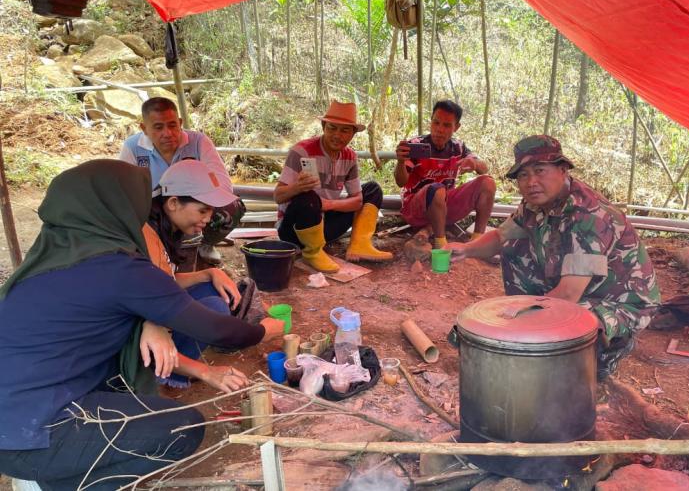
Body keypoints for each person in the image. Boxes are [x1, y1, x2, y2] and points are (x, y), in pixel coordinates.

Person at [0, 160, 274, 490]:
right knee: (184, 428)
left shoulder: (56, 249)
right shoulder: (118, 266)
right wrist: (264, 330)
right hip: (32, 431)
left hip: (19, 414)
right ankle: (61, 483)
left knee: (124, 376)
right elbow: (218, 331)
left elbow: (122, 298)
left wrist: (148, 320)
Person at [448, 135, 661, 376]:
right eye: (523, 175)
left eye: (540, 170)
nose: (531, 182)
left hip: (620, 302)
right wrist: (464, 250)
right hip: (583, 288)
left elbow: (568, 295)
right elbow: (500, 237)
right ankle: (537, 334)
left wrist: (515, 321)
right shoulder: (535, 203)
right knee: (514, 246)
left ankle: (610, 347)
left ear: (562, 170)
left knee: (572, 350)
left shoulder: (588, 216)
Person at [143, 159, 270, 391]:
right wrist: (261, 333)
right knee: (215, 309)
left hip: (153, 309)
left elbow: (166, 282)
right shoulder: (146, 235)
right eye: (203, 210)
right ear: (173, 202)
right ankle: (166, 369)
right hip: (142, 330)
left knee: (216, 293)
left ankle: (173, 361)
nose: (209, 219)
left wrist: (209, 273)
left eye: (210, 211)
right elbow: (157, 300)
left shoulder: (164, 226)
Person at [119, 97, 245, 265]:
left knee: (231, 207)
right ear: (144, 129)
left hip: (191, 204)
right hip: (154, 212)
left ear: (180, 122)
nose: (167, 133)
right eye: (158, 127)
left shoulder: (198, 142)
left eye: (172, 125)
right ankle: (156, 249)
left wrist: (196, 204)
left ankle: (205, 244)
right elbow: (122, 192)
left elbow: (223, 184)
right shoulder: (132, 147)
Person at [275, 100, 393, 273]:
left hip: (325, 227)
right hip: (294, 232)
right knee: (308, 198)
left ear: (353, 134)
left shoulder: (349, 157)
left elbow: (358, 200)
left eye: (344, 130)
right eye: (332, 128)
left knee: (373, 189)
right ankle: (312, 252)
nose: (337, 135)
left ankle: (360, 244)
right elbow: (278, 196)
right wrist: (297, 187)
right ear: (323, 126)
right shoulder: (301, 151)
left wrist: (328, 205)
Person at [394, 100, 496, 248]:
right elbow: (400, 182)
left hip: (444, 209)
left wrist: (474, 163)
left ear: (457, 127)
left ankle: (477, 240)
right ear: (431, 122)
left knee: (488, 182)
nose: (439, 129)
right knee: (437, 189)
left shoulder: (458, 147)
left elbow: (484, 168)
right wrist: (401, 162)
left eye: (447, 125)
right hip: (415, 210)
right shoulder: (416, 145)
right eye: (436, 122)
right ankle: (441, 243)